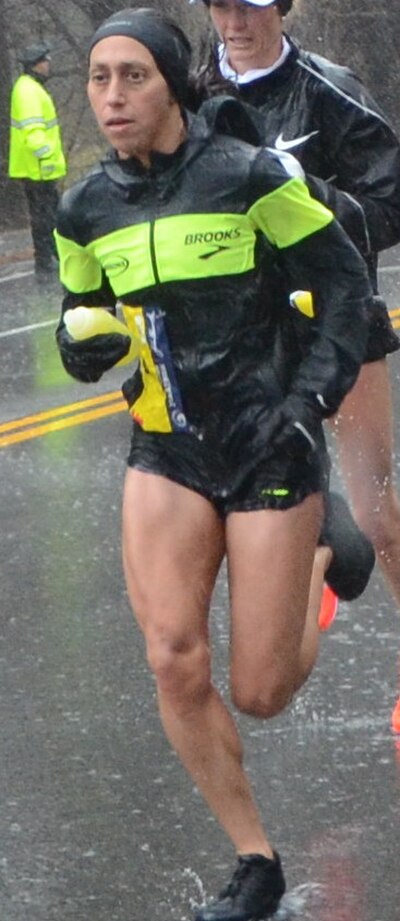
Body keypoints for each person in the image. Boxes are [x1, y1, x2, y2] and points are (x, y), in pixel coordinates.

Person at [54, 8, 374, 921]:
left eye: (133, 77)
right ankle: (255, 858)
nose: (113, 97)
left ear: (172, 84)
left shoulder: (248, 176)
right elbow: (86, 322)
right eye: (100, 78)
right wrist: (87, 347)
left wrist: (310, 401)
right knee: (170, 656)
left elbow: (346, 283)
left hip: (269, 440)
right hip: (166, 446)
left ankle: (325, 550)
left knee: (261, 691)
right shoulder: (85, 209)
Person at [190, 0, 400, 730]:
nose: (234, 23)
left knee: (378, 514)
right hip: (242, 338)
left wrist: (310, 198)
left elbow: (390, 203)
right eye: (220, 6)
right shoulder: (191, 91)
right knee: (233, 515)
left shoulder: (329, 88)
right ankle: (318, 543)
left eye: (250, 7)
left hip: (340, 325)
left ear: (283, 8)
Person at [8, 41, 67, 283]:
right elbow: (34, 131)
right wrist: (46, 157)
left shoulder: (29, 88)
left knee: (46, 213)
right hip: (38, 168)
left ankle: (50, 255)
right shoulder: (29, 91)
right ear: (35, 65)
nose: (48, 65)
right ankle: (46, 258)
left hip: (37, 167)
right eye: (45, 61)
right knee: (45, 214)